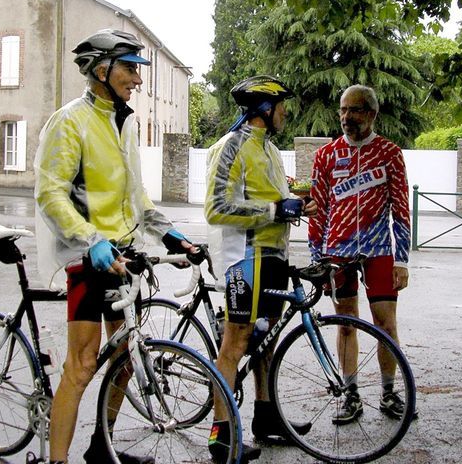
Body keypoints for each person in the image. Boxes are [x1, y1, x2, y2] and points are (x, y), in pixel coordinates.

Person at [34, 28, 196, 464]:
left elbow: (136, 196)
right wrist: (91, 241)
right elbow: (50, 194)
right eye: (129, 69)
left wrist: (170, 234)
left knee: (125, 355)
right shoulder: (70, 121)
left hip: (123, 259)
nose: (138, 80)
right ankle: (57, 460)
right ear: (101, 69)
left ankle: (99, 448)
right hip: (88, 259)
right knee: (83, 365)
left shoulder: (123, 121)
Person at [204, 75, 317, 462]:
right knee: (235, 343)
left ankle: (266, 419)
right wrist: (274, 210)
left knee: (266, 340)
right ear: (264, 109)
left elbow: (277, 200)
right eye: (281, 105)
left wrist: (297, 203)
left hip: (274, 256)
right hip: (245, 257)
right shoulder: (231, 147)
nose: (286, 112)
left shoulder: (269, 149)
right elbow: (216, 208)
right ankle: (220, 437)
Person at [308, 84, 412, 424]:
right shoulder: (326, 155)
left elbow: (401, 208)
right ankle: (350, 395)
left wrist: (402, 260)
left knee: (386, 324)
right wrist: (316, 257)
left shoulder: (389, 153)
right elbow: (318, 209)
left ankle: (388, 392)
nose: (345, 118)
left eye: (353, 110)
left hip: (379, 250)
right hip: (337, 251)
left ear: (370, 114)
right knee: (347, 323)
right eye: (342, 110)